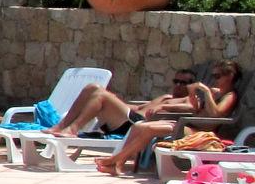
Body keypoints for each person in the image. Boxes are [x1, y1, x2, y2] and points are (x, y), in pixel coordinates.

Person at [93, 62, 246, 176]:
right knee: (139, 126)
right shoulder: (216, 93)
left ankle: (117, 162)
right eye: (213, 76)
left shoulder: (230, 96)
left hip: (198, 133)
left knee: (149, 129)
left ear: (230, 76)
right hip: (187, 126)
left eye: (217, 76)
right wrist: (193, 92)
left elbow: (216, 114)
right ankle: (119, 162)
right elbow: (195, 108)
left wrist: (206, 92)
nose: (214, 79)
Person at [49, 64, 233, 138]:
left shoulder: (188, 100)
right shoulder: (165, 97)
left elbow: (192, 109)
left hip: (136, 123)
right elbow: (137, 106)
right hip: (130, 116)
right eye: (176, 81)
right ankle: (61, 126)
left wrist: (201, 92)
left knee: (98, 92)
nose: (178, 85)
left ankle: (73, 130)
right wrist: (117, 102)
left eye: (183, 83)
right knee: (92, 88)